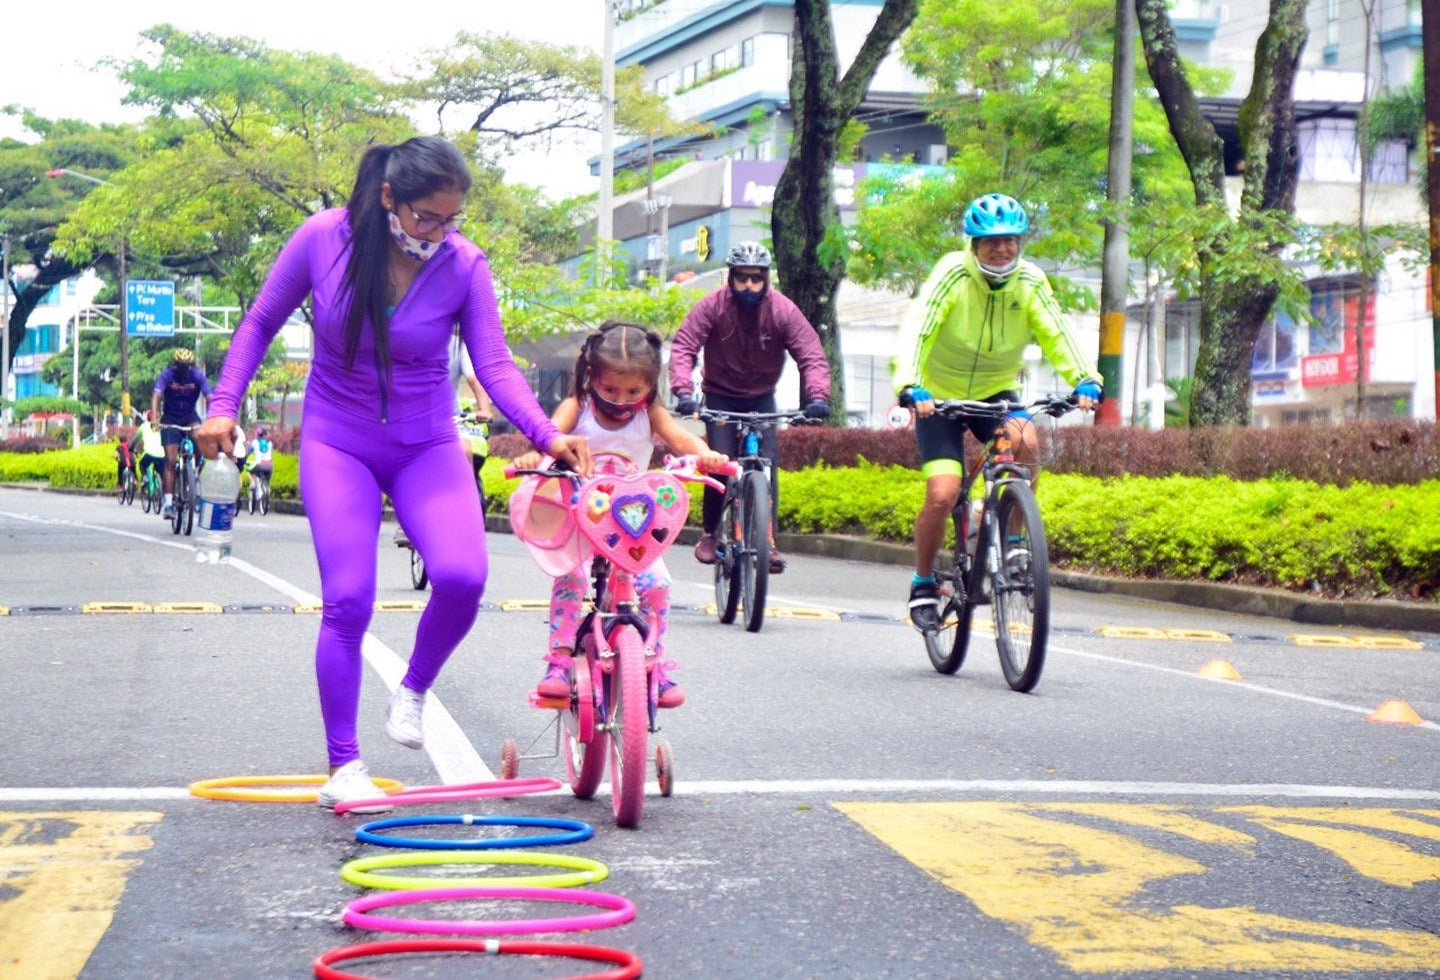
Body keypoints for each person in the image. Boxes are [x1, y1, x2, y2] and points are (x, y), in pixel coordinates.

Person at [192, 136, 591, 812]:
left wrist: (549, 435)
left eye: (451, 218)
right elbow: (261, 321)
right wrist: (223, 405)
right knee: (348, 599)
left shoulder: (464, 264)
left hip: (426, 440)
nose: (440, 232)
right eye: (427, 218)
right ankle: (344, 764)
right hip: (337, 440)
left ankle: (412, 691)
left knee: (464, 577)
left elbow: (493, 365)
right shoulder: (326, 239)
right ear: (389, 200)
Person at [893, 192, 1101, 633]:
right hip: (939, 398)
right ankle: (924, 582)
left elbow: (1056, 331)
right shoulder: (951, 274)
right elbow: (920, 325)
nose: (1002, 248)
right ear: (972, 243)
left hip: (996, 392)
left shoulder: (1030, 281)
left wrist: (1085, 376)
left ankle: (1013, 540)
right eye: (991, 241)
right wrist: (912, 384)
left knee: (1025, 439)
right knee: (943, 493)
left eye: (1009, 239)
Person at [514, 320, 727, 709]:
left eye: (634, 390)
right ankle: (559, 661)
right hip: (580, 520)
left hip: (631, 526)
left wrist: (703, 453)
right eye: (610, 389)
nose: (621, 398)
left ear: (650, 385)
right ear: (592, 375)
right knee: (572, 578)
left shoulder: (651, 413)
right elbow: (547, 436)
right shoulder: (578, 406)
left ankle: (654, 664)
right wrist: (536, 454)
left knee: (658, 585)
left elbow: (681, 439)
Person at [668, 241, 831, 574]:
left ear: (766, 278)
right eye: (741, 278)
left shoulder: (782, 310)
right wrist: (682, 391)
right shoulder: (712, 306)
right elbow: (684, 346)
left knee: (767, 469)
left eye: (756, 279)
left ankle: (767, 541)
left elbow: (811, 354)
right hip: (720, 398)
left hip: (762, 399)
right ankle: (711, 534)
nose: (749, 286)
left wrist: (817, 398)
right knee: (720, 466)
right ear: (731, 277)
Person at [151, 348, 213, 518]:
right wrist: (155, 417)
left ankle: (197, 467)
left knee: (199, 436)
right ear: (175, 365)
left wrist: (211, 418)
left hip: (189, 416)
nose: (184, 369)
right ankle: (169, 504)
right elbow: (156, 395)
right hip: (170, 418)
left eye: (187, 366)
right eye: (181, 366)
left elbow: (209, 397)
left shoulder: (197, 376)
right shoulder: (168, 375)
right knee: (170, 461)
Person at [132, 411, 165, 494]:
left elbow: (136, 439)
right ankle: (161, 486)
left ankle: (146, 478)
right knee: (161, 473)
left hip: (148, 455)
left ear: (147, 418)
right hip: (162, 456)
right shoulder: (162, 427)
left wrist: (131, 448)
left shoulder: (144, 426)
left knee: (141, 465)